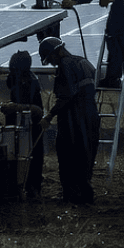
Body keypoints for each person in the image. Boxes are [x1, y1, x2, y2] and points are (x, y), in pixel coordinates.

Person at [37, 36, 100, 205]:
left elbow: (66, 96)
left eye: (50, 59)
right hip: (92, 117)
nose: (50, 63)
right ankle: (85, 197)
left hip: (74, 120)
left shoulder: (64, 66)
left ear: (56, 52)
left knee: (67, 157)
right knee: (84, 158)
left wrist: (49, 116)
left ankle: (71, 197)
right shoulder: (83, 62)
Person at [0, 50, 45, 198]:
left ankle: (33, 188)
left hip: (31, 126)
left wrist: (16, 107)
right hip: (17, 127)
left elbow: (38, 110)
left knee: (33, 158)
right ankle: (16, 187)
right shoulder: (14, 79)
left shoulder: (31, 83)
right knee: (14, 156)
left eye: (13, 68)